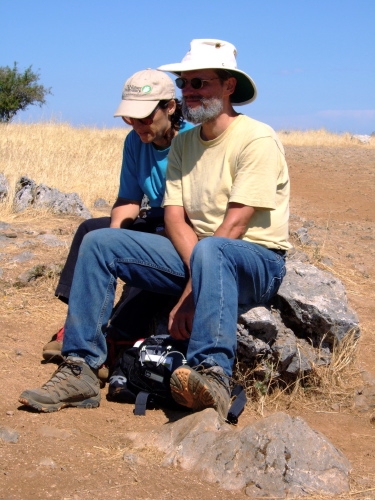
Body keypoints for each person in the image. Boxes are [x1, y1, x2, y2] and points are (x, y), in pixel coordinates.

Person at [19, 39, 290, 420]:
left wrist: (191, 294)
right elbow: (174, 217)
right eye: (185, 83)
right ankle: (81, 365)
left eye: (201, 83)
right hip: (201, 254)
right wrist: (188, 268)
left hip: (255, 261)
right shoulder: (185, 144)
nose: (191, 91)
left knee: (213, 249)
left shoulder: (256, 138)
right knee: (98, 241)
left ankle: (212, 375)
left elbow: (237, 223)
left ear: (229, 86)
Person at [41, 68, 193, 364]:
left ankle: (119, 334)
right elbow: (128, 199)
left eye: (145, 118)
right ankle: (78, 323)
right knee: (91, 230)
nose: (136, 125)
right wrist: (114, 238)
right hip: (157, 219)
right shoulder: (135, 141)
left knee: (139, 247)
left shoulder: (192, 141)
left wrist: (122, 245)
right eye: (129, 118)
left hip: (186, 226)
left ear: (170, 107)